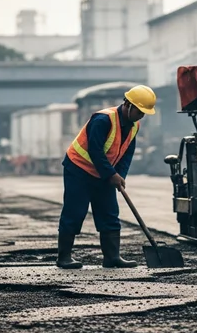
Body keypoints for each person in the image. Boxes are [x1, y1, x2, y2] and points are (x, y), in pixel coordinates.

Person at [56, 85, 156, 270]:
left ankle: (112, 257)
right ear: (128, 105)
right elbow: (95, 151)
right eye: (139, 111)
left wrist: (120, 175)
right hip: (79, 170)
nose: (141, 116)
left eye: (144, 113)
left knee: (109, 213)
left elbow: (127, 153)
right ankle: (64, 257)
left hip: (104, 172)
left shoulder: (134, 125)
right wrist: (111, 174)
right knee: (75, 212)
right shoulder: (103, 120)